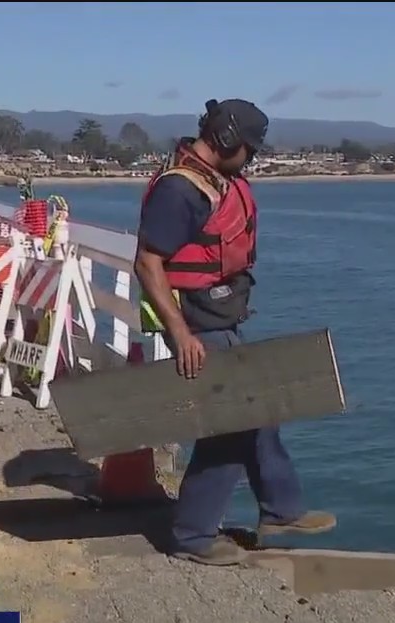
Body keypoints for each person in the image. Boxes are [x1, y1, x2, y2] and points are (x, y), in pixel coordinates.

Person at [134, 97, 336, 566]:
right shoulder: (178, 191)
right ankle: (192, 537)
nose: (252, 158)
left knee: (258, 409)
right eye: (249, 149)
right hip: (198, 324)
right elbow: (147, 263)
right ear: (227, 140)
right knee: (227, 427)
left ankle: (280, 511)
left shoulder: (215, 182)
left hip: (220, 319)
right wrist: (181, 334)